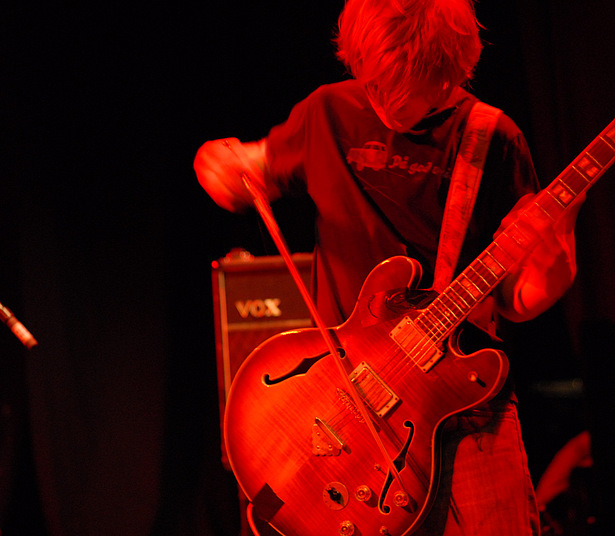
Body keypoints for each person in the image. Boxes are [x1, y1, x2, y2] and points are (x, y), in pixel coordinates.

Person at [194, 0, 581, 534]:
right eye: (374, 83)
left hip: (464, 415)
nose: (385, 102)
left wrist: (556, 257)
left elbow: (520, 301)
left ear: (452, 69)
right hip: (341, 409)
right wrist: (223, 165)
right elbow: (248, 167)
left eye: (405, 87)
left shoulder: (493, 138)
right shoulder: (327, 111)